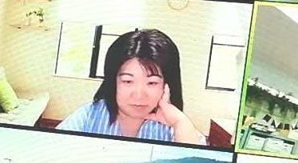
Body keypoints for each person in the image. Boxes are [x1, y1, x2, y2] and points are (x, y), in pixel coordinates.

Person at [56, 29, 207, 143]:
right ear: (113, 81)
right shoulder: (87, 117)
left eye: (152, 83)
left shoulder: (176, 125)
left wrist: (180, 122)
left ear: (166, 86)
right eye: (128, 81)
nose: (139, 95)